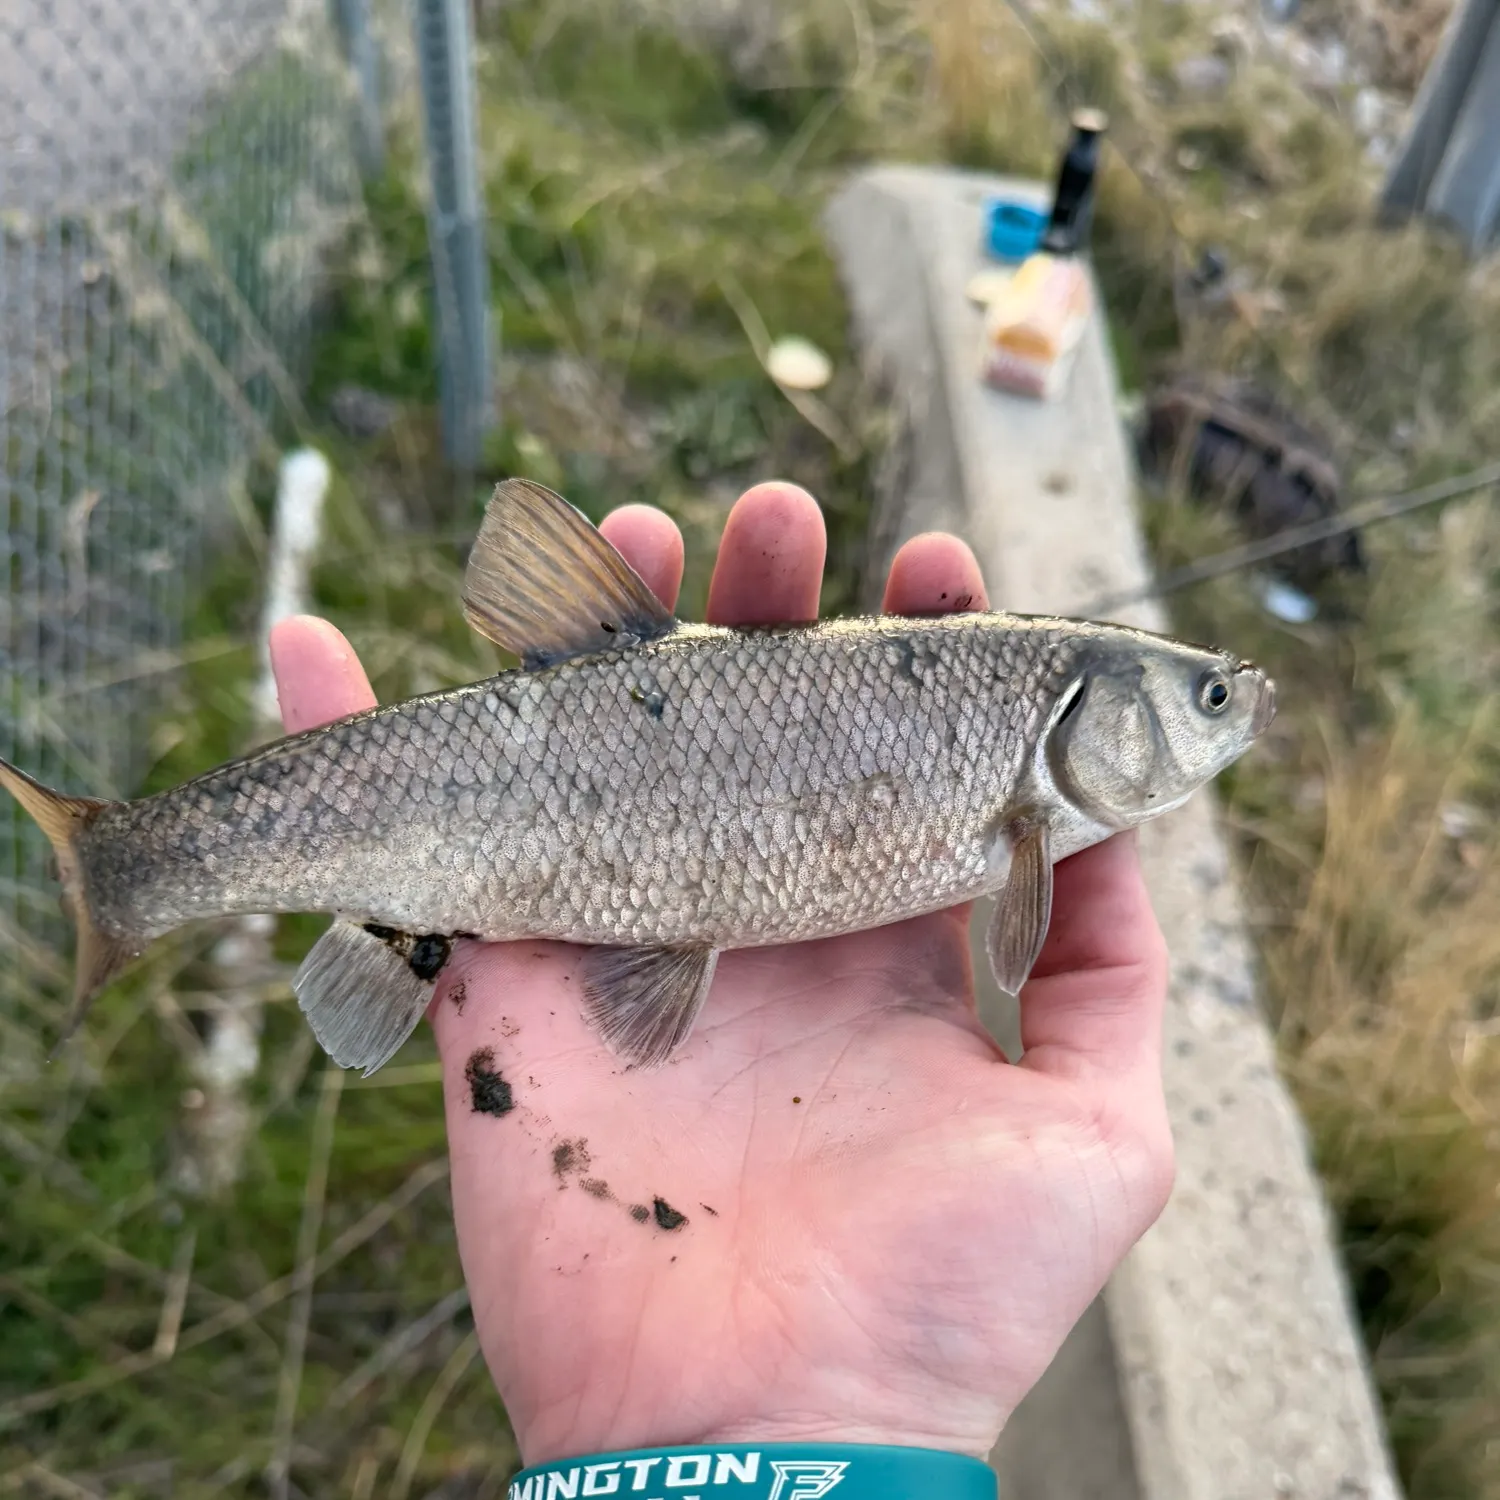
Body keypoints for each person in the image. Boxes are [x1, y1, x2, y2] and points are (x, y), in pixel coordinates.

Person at [269, 482, 1173, 1489]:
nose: (1226, 715)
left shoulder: (1028, 805)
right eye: (1206, 702)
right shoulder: (1031, 815)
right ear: (1088, 714)